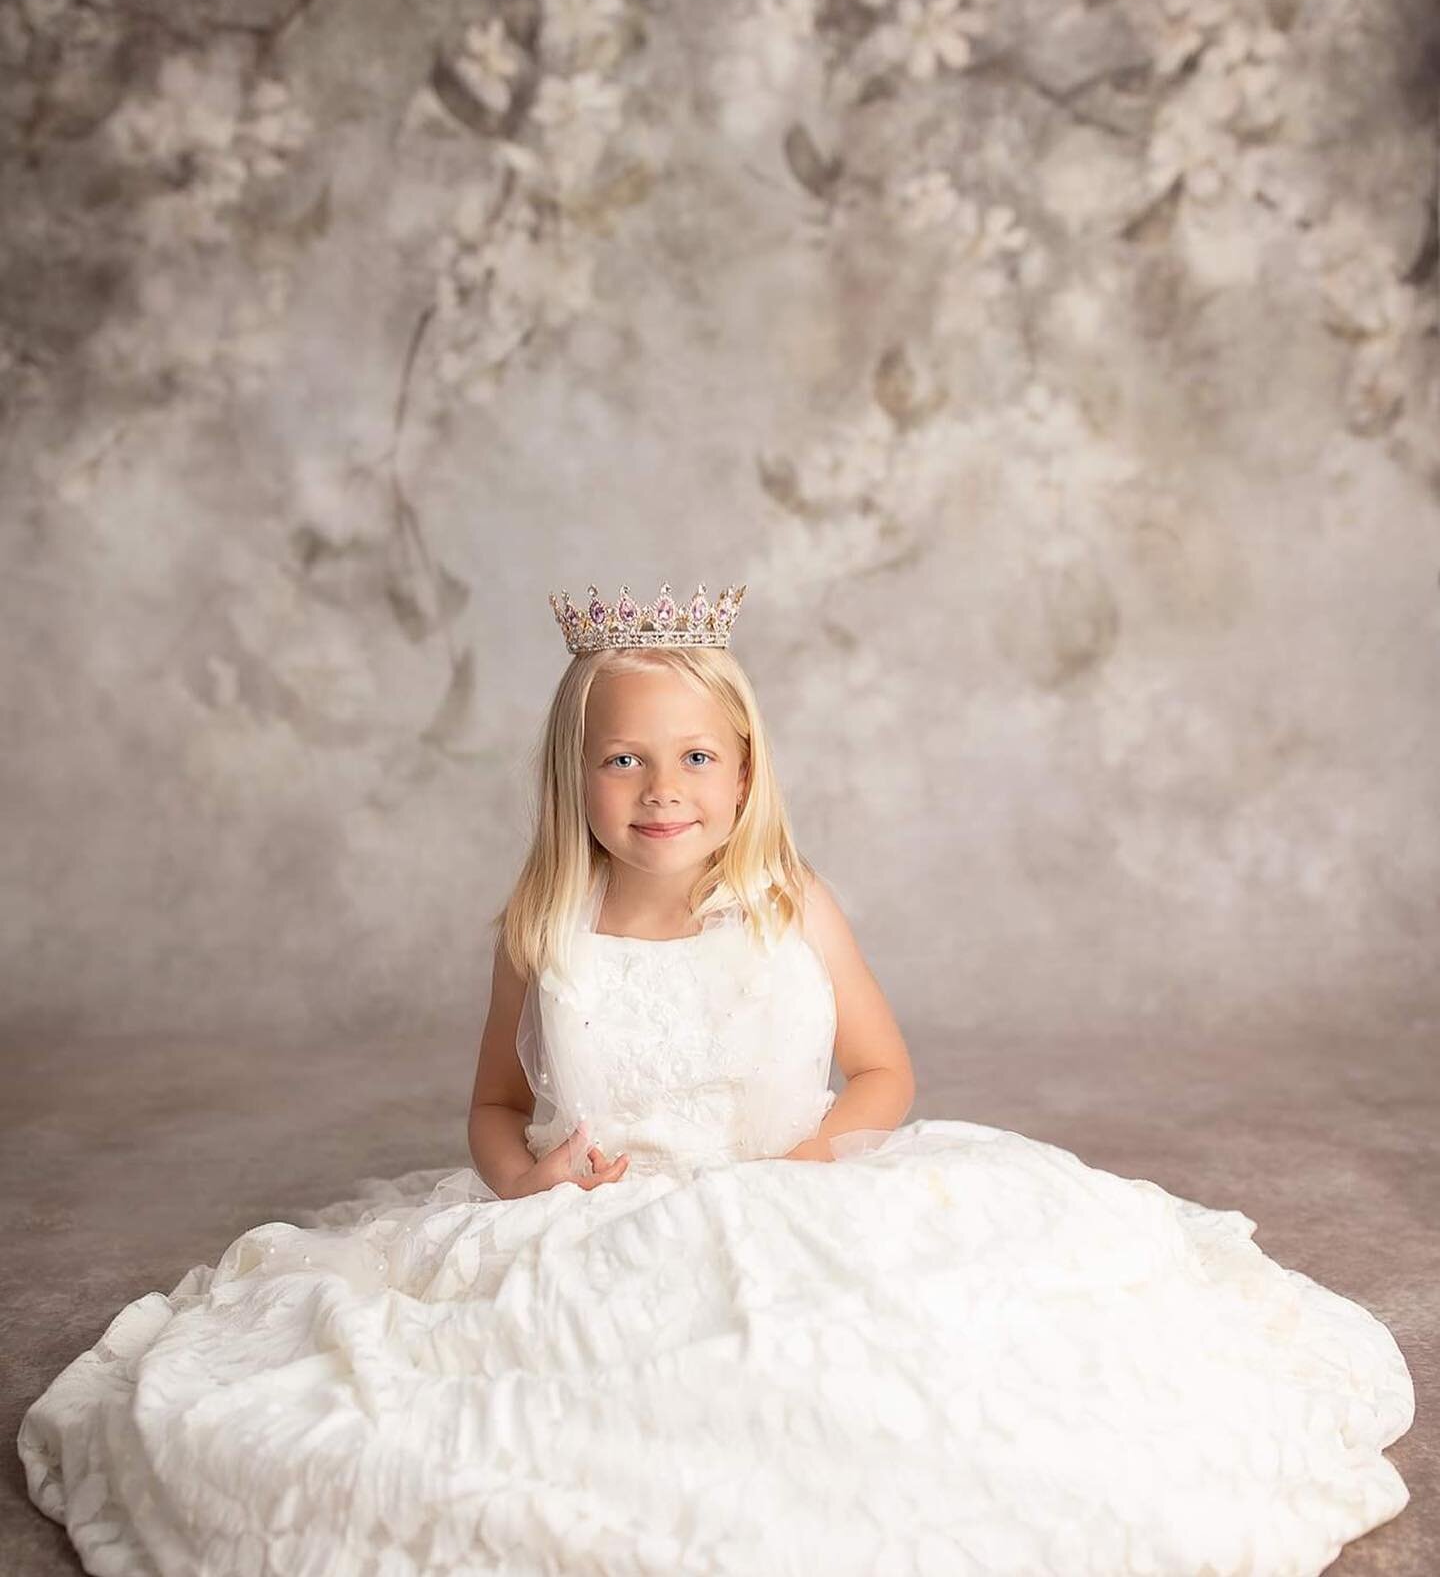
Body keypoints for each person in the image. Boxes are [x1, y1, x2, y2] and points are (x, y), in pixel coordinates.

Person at [18, 578, 1415, 1577]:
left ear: (744, 774)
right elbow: (494, 1109)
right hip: (595, 1223)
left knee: (871, 1404)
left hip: (794, 1196)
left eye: (693, 757)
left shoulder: (791, 903)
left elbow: (881, 1072)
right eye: (621, 760)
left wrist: (812, 1158)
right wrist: (525, 1177)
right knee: (539, 1419)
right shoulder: (545, 931)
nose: (659, 787)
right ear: (575, 779)